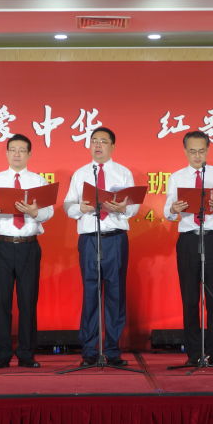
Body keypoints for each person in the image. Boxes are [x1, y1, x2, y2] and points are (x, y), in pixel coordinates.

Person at [0, 133, 53, 369]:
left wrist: (34, 212)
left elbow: (48, 212)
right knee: (0, 302)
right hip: (1, 245)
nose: (17, 154)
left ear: (29, 154)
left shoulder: (39, 181)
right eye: (13, 150)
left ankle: (27, 354)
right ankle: (2, 354)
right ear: (7, 153)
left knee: (28, 301)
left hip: (29, 245)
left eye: (22, 150)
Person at [64, 127, 139, 367]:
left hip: (115, 237)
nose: (97, 145)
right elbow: (68, 206)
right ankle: (89, 350)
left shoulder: (124, 173)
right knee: (91, 293)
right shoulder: (81, 173)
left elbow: (134, 206)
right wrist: (81, 208)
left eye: (103, 141)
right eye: (94, 141)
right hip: (89, 238)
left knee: (115, 294)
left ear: (112, 146)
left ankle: (113, 350)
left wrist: (123, 208)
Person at [164, 130, 213, 367]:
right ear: (185, 151)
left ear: (208, 150)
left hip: (212, 239)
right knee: (190, 298)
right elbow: (167, 212)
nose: (197, 156)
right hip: (188, 239)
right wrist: (174, 208)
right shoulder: (176, 177)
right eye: (192, 151)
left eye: (201, 151)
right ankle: (193, 353)